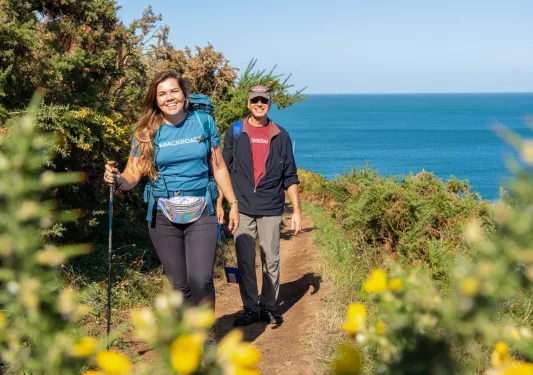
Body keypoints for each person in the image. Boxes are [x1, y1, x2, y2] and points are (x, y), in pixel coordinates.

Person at [103, 69, 239, 307]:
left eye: (174, 91)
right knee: (178, 285)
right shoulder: (146, 132)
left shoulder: (203, 122)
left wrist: (233, 204)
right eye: (162, 94)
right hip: (162, 214)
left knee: (201, 279)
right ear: (155, 100)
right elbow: (133, 173)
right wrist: (118, 180)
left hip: (202, 209)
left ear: (184, 94)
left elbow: (218, 167)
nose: (169, 97)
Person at [217, 85, 302, 326]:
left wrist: (296, 211)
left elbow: (290, 176)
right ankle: (250, 308)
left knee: (271, 259)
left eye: (263, 100)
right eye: (254, 100)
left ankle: (268, 307)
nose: (259, 104)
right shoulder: (235, 131)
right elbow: (223, 169)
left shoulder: (280, 135)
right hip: (241, 206)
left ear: (269, 104)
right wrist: (221, 203)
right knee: (245, 260)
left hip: (271, 206)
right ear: (248, 103)